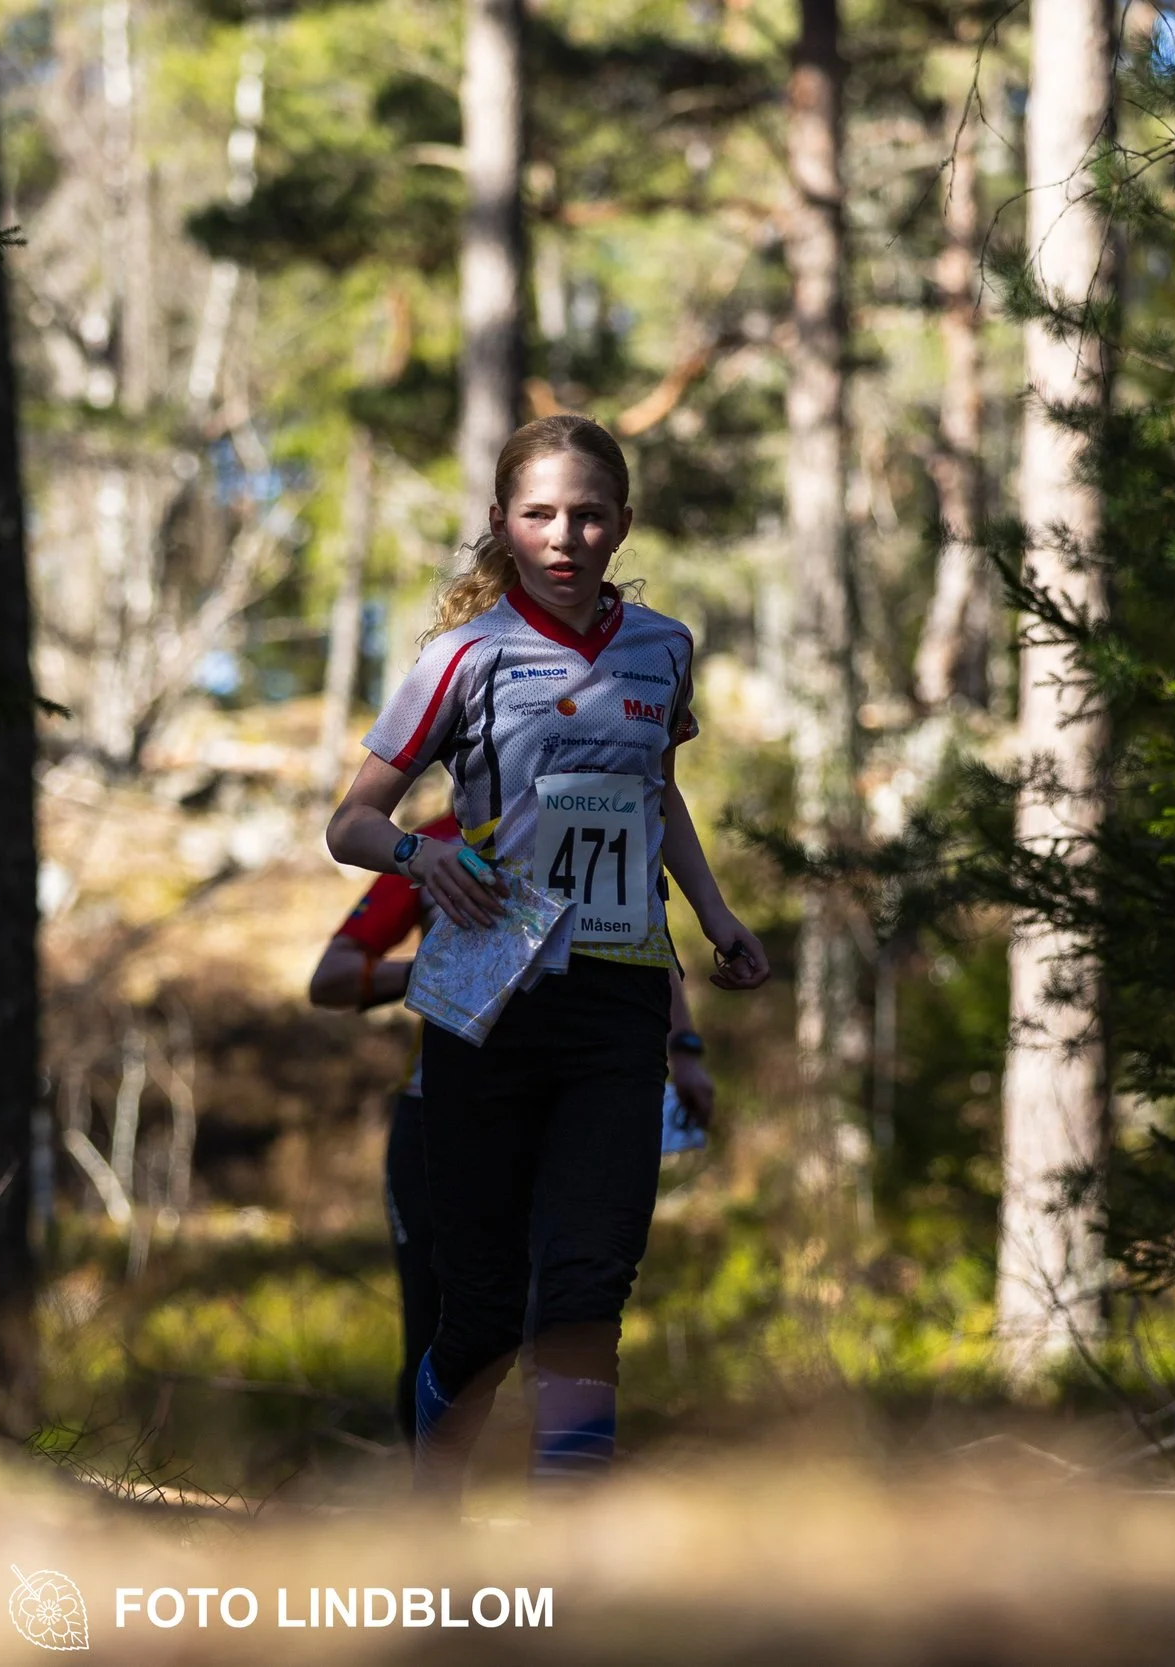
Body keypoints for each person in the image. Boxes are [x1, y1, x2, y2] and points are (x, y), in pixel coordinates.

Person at [323, 413, 771, 1498]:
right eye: (538, 514)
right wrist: (421, 863)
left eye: (587, 513)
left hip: (616, 994)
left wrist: (714, 915)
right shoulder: (463, 656)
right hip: (488, 995)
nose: (564, 535)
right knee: (476, 1308)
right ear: (501, 524)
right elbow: (350, 823)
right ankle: (433, 1505)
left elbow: (655, 792)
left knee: (584, 1281)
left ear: (622, 523)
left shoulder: (663, 647)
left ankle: (574, 1553)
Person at [306, 836, 718, 1449]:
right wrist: (435, 964)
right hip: (438, 1107)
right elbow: (330, 978)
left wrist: (683, 1048)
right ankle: (430, 1513)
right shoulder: (439, 837)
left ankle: (553, 1503)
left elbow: (645, 935)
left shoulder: (597, 805)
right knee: (443, 1313)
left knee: (565, 1301)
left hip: (567, 1104)